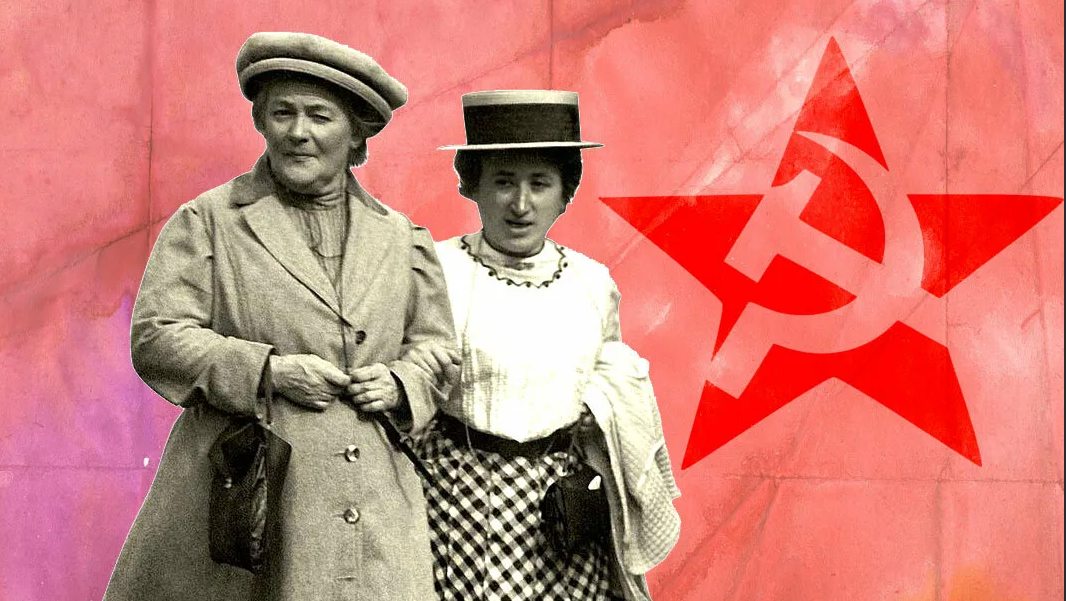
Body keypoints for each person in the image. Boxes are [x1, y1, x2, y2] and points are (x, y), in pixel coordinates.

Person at [103, 32, 457, 601]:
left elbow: (437, 350)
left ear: (356, 132)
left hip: (373, 502)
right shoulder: (209, 222)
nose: (298, 132)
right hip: (248, 498)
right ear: (261, 122)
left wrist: (400, 382)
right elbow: (157, 337)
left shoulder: (401, 238)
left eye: (320, 115)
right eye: (282, 113)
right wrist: (268, 372)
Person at [408, 90, 681, 601]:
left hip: (561, 513)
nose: (520, 204)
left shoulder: (591, 283)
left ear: (565, 192)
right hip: (453, 503)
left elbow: (613, 391)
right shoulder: (435, 270)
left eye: (539, 183)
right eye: (503, 182)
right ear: (473, 185)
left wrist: (597, 422)